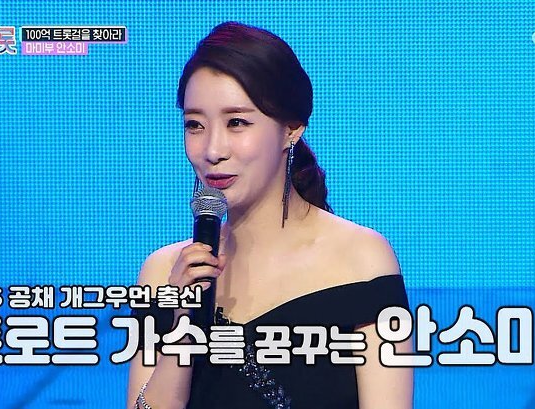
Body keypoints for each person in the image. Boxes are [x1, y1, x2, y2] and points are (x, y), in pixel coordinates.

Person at [127, 21, 412, 409]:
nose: (212, 150)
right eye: (195, 125)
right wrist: (182, 325)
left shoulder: (360, 260)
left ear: (291, 128)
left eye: (237, 123)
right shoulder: (164, 272)